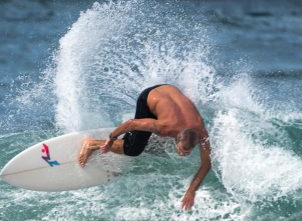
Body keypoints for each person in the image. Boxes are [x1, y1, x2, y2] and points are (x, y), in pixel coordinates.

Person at [78, 84, 211, 210]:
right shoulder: (163, 127)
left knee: (159, 149)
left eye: (187, 152)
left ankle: (139, 139)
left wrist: (191, 191)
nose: (182, 154)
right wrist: (111, 140)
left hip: (169, 91)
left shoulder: (202, 134)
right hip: (149, 98)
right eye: (182, 150)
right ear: (177, 138)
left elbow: (206, 164)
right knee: (133, 150)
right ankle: (92, 143)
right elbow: (131, 124)